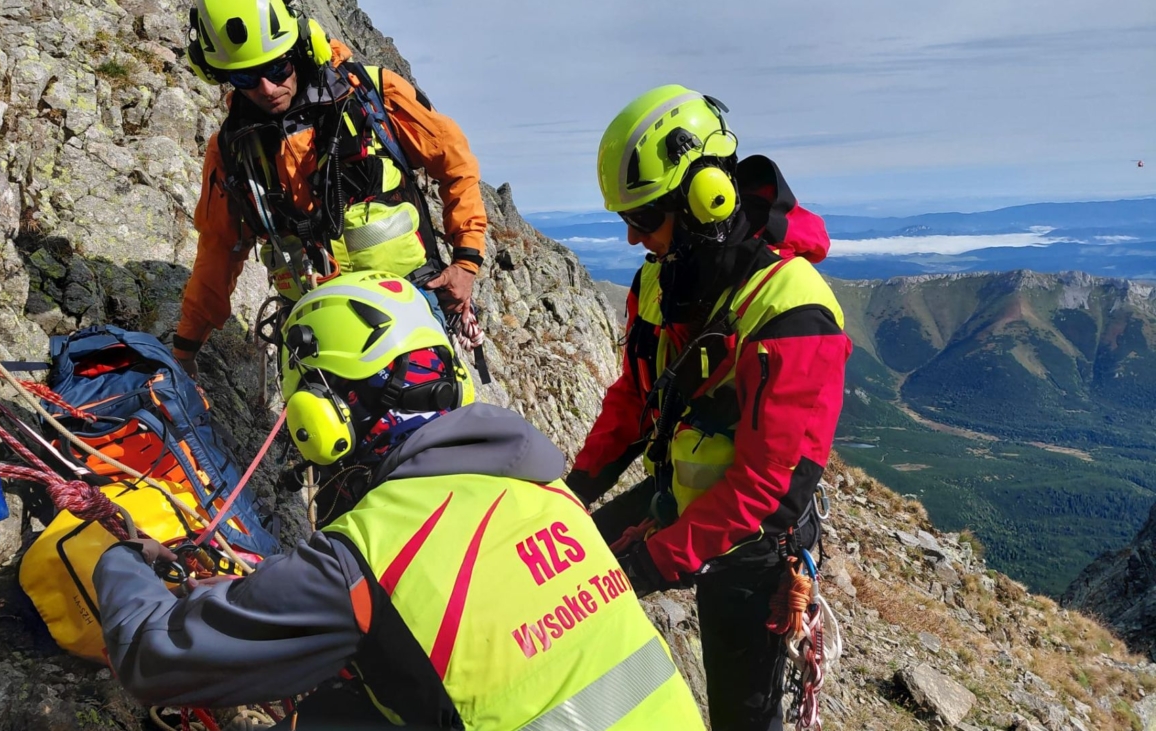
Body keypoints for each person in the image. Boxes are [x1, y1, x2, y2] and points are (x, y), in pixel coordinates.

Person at [93, 272, 707, 730]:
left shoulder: (368, 554)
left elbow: (152, 656)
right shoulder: (548, 493)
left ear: (321, 417)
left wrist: (119, 558)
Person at [564, 86, 852, 731]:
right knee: (568, 576)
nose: (635, 237)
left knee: (742, 715)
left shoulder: (795, 313)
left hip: (755, 540)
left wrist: (650, 561)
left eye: (645, 217)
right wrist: (574, 489)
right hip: (680, 495)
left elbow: (768, 488)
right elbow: (638, 394)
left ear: (705, 200)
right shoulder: (663, 278)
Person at [172, 0, 488, 377]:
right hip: (316, 328)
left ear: (301, 49)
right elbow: (219, 249)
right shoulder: (231, 150)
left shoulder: (372, 95)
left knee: (430, 426)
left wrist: (466, 262)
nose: (267, 88)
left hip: (408, 306)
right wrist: (185, 348)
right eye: (245, 78)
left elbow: (454, 162)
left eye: (277, 68)